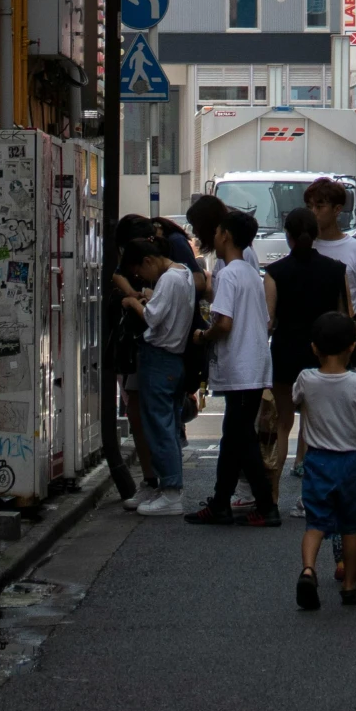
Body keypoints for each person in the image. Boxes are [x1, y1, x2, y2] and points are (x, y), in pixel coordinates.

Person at [185, 209, 280, 527]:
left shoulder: (227, 273)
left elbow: (223, 322)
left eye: (217, 232)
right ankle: (221, 502)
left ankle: (266, 506)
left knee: (242, 437)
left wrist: (202, 335)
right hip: (252, 363)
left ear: (225, 235)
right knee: (233, 436)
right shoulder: (250, 271)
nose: (212, 237)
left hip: (241, 366)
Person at [291, 312, 356, 610]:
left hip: (317, 460)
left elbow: (297, 402)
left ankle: (308, 570)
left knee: (315, 522)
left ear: (314, 348)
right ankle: (348, 585)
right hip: (349, 463)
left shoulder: (306, 379)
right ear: (352, 346)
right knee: (350, 525)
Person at [265, 209, 349, 501]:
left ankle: (272, 496)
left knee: (282, 423)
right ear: (315, 235)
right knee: (314, 426)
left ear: (287, 236)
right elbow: (344, 317)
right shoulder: (336, 270)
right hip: (323, 355)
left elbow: (268, 321)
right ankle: (307, 497)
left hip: (286, 351)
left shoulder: (275, 272)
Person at [113, 245, 196, 516]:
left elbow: (153, 317)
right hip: (174, 358)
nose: (143, 277)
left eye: (141, 270)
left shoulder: (170, 279)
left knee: (160, 426)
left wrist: (133, 301)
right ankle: (168, 487)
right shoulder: (183, 273)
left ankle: (171, 491)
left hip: (160, 357)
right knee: (167, 425)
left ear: (149, 260)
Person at [304, 178, 356, 362]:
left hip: (345, 342)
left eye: (320, 206)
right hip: (310, 340)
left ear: (337, 209)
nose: (313, 212)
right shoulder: (304, 247)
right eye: (309, 206)